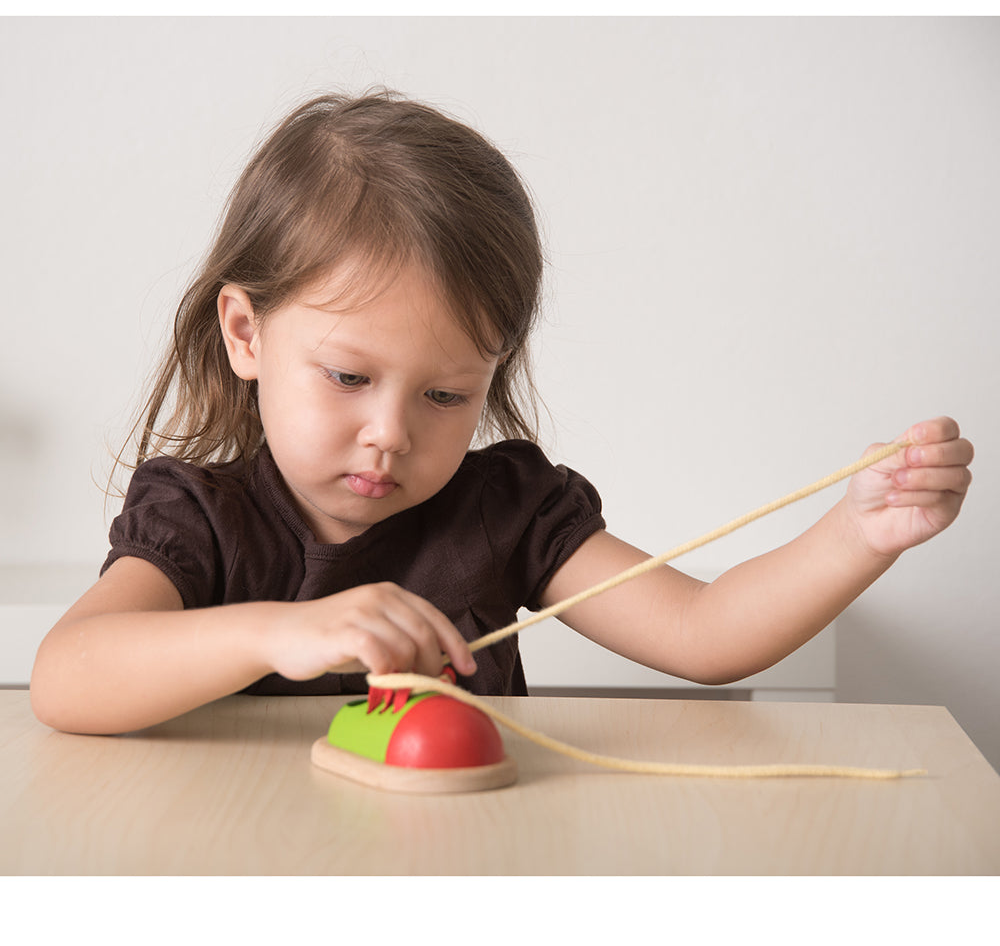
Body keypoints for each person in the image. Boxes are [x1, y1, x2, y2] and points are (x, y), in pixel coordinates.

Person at [30, 91, 974, 735]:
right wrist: (285, 630)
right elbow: (69, 676)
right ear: (245, 333)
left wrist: (861, 531)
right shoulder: (196, 519)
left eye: (446, 395)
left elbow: (706, 633)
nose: (393, 432)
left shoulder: (506, 511)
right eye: (349, 378)